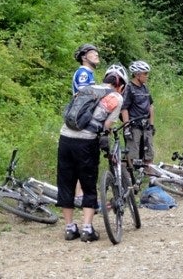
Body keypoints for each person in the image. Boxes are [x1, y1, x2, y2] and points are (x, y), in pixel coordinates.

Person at [56, 64, 128, 242]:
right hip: (86, 142)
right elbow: (106, 125)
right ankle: (87, 229)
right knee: (88, 183)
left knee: (66, 182)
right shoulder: (116, 97)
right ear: (121, 85)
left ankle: (69, 228)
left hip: (65, 138)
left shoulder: (87, 89)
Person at [71, 43, 100, 206]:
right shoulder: (83, 73)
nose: (96, 55)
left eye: (97, 53)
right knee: (84, 159)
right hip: (82, 119)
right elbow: (85, 94)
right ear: (84, 57)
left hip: (84, 118)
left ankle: (80, 193)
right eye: (92, 53)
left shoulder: (88, 73)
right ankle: (79, 194)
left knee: (84, 159)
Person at [121, 60, 155, 166]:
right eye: (145, 73)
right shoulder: (129, 88)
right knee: (132, 155)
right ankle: (130, 174)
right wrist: (126, 127)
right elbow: (124, 108)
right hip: (134, 126)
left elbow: (151, 106)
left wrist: (151, 125)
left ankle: (147, 173)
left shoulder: (145, 87)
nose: (147, 76)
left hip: (146, 126)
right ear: (137, 74)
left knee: (149, 154)